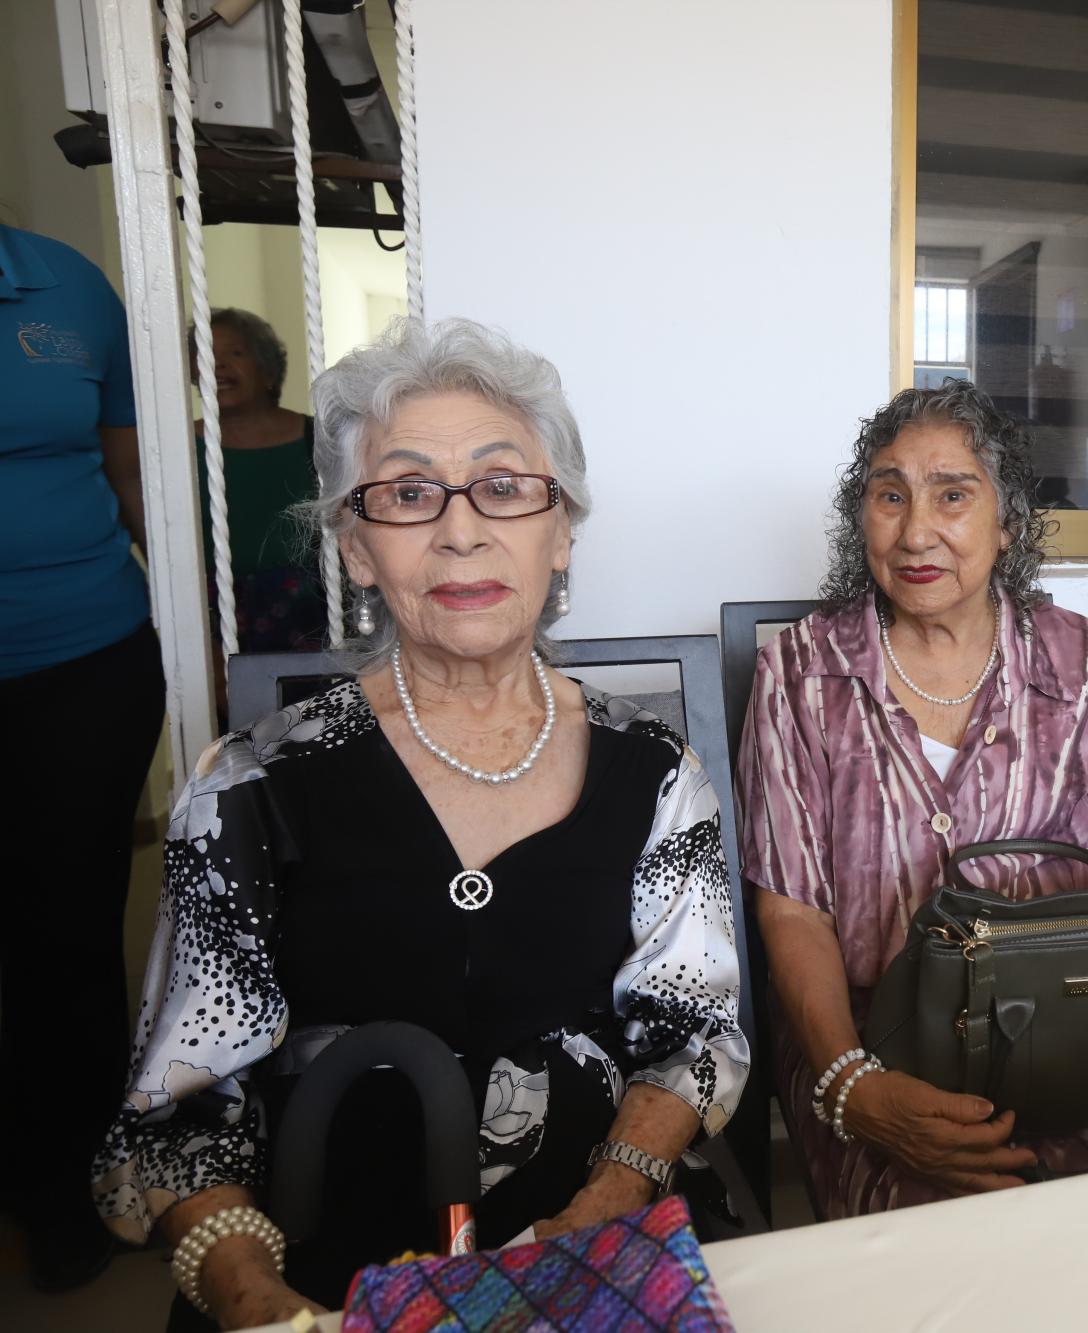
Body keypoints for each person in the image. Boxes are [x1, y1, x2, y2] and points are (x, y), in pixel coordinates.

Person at [93, 319, 750, 1329]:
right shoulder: (252, 783)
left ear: (560, 529)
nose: (460, 531)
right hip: (320, 1280)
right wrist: (261, 1299)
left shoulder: (656, 772)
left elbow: (693, 1038)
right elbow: (181, 1111)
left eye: (502, 486)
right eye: (407, 495)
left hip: (592, 1263)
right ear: (356, 548)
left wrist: (598, 1212)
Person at [736, 379, 1088, 1219]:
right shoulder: (798, 673)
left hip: (1077, 1016)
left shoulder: (1082, 660)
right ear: (860, 516)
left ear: (1007, 522)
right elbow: (792, 910)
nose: (916, 531)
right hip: (880, 1040)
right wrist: (854, 1087)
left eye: (953, 494)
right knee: (939, 1219)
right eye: (888, 494)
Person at [0, 222, 165, 1291]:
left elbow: (135, 480)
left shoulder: (65, 285)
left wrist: (213, 639)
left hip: (85, 660)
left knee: (65, 932)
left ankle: (71, 1186)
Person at [191, 308, 325, 652]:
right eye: (206, 352)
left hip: (317, 616)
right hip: (212, 618)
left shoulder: (319, 437)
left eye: (234, 353)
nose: (218, 364)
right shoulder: (179, 446)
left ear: (267, 370)